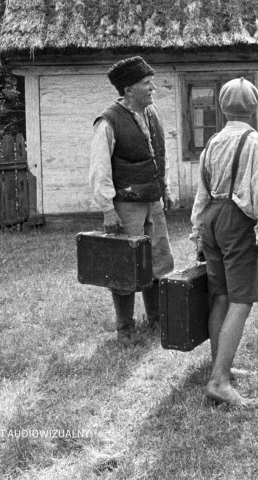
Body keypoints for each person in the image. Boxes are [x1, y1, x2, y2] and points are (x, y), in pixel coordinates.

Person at [191, 77, 258, 408]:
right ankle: (219, 381)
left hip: (211, 218)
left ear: (222, 108)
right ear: (254, 108)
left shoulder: (213, 142)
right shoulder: (256, 142)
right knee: (241, 300)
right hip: (237, 221)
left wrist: (198, 229)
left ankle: (221, 366)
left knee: (221, 296)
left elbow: (202, 190)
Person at [89, 55, 175, 342]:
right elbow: (99, 169)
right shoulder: (108, 122)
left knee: (158, 260)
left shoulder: (152, 113)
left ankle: (156, 319)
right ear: (128, 90)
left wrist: (165, 188)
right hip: (126, 205)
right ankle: (125, 328)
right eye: (146, 83)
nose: (153, 88)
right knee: (124, 265)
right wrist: (108, 209)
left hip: (153, 201)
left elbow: (159, 155)